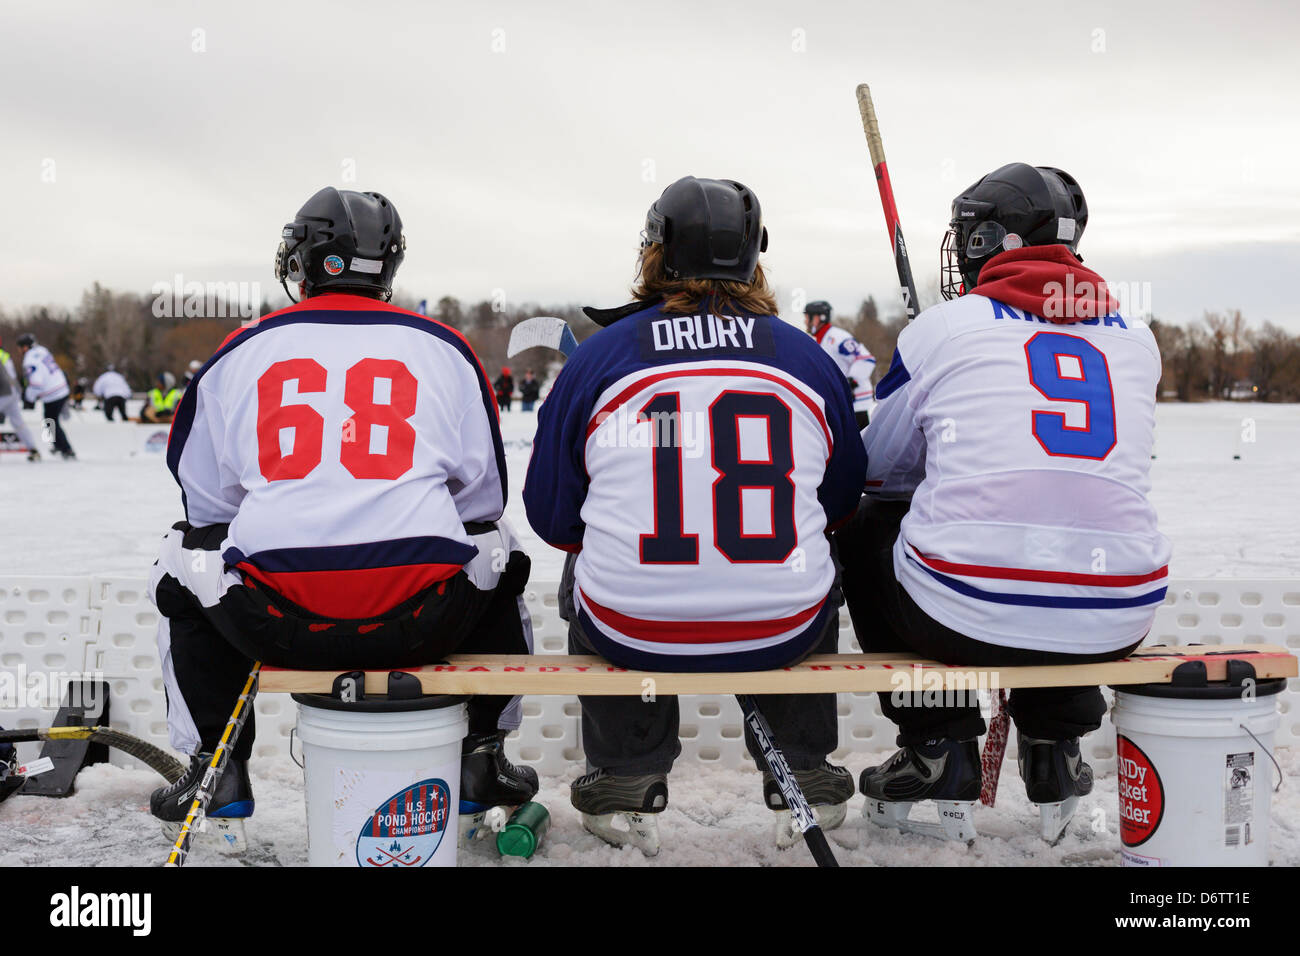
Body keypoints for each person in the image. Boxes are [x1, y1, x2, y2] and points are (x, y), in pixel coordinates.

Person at [146, 187, 538, 844]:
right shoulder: (446, 347)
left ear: (304, 258)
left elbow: (206, 504)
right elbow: (482, 499)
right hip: (422, 619)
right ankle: (483, 759)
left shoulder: (239, 350)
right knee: (496, 544)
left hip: (275, 619)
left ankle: (215, 767)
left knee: (182, 555)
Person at [525, 176, 866, 854]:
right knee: (810, 561)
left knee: (586, 564)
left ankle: (626, 773)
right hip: (784, 626)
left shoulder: (598, 357)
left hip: (632, 628)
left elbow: (552, 515)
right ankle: (804, 769)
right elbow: (840, 500)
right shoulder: (804, 354)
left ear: (654, 254)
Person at [835, 163, 1169, 843]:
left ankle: (936, 743)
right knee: (1066, 522)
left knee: (874, 528)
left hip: (960, 619)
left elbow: (878, 475)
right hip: (1122, 612)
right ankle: (1056, 748)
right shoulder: (1139, 339)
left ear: (994, 238)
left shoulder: (945, 328)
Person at [804, 301, 876, 429]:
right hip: (842, 405)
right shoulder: (822, 340)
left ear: (819, 318)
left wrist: (850, 382)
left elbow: (866, 359)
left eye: (807, 317)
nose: (805, 321)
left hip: (857, 405)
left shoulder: (837, 337)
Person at [15, 333, 75, 459]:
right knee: (49, 420)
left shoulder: (29, 360)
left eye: (20, 347)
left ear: (25, 347)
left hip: (52, 392)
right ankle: (58, 445)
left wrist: (29, 398)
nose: (19, 350)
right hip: (61, 386)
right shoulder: (42, 350)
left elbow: (36, 383)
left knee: (50, 421)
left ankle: (66, 449)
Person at [0, 335, 41, 460]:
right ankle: (33, 449)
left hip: (4, 392)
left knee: (17, 421)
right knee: (17, 422)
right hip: (13, 392)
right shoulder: (4, 354)